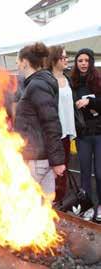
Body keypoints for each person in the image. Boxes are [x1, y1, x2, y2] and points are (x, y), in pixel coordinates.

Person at [14, 42, 65, 202]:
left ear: (24, 62)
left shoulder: (37, 85)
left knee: (25, 203)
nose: (17, 64)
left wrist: (57, 161)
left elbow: (51, 122)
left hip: (37, 159)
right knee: (44, 205)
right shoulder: (37, 83)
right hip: (40, 157)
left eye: (17, 60)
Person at [71, 48, 101, 221]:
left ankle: (100, 205)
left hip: (99, 133)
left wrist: (91, 102)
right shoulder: (72, 83)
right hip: (82, 135)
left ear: (90, 62)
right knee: (84, 172)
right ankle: (87, 205)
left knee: (99, 173)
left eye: (86, 60)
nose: (83, 63)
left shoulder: (98, 80)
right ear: (76, 63)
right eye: (80, 60)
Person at [46, 46, 76, 202]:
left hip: (67, 131)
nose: (66, 60)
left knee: (64, 167)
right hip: (54, 133)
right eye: (63, 57)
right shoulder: (47, 80)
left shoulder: (68, 78)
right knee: (53, 169)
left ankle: (61, 200)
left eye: (66, 57)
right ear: (54, 59)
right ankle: (53, 200)